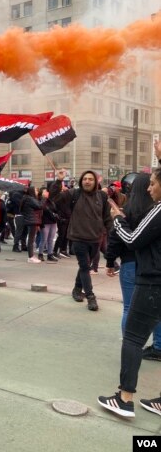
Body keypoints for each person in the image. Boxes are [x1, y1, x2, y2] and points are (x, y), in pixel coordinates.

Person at [98, 166, 161, 417]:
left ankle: (124, 399)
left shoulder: (158, 210)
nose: (149, 188)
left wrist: (117, 219)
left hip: (153, 281)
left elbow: (133, 239)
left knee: (133, 338)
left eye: (153, 183)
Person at [105, 173, 161, 360]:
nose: (149, 188)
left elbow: (122, 239)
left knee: (129, 307)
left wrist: (110, 261)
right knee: (156, 309)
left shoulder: (132, 210)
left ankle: (129, 347)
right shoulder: (153, 210)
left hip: (131, 263)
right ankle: (158, 345)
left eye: (153, 184)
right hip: (152, 267)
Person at [50, 169, 112, 311]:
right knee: (85, 267)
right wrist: (59, 180)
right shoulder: (74, 193)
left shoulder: (102, 196)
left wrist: (113, 234)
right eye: (85, 179)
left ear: (95, 181)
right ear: (81, 181)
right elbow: (54, 197)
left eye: (90, 179)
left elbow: (107, 218)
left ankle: (77, 289)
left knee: (86, 265)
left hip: (96, 238)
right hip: (78, 237)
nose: (87, 181)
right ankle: (90, 297)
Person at [20, 185, 43, 264]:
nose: (37, 192)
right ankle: (30, 257)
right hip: (32, 220)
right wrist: (44, 198)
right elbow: (40, 206)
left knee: (31, 239)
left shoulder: (26, 198)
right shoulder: (30, 199)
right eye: (36, 191)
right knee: (31, 239)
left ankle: (31, 256)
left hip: (30, 220)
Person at [38, 188, 59, 262]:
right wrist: (43, 198)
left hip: (53, 222)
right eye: (45, 191)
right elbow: (41, 208)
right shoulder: (40, 200)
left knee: (51, 239)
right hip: (45, 222)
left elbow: (55, 209)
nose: (47, 192)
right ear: (41, 193)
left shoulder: (50, 200)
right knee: (44, 239)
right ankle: (40, 254)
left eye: (47, 191)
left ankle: (50, 254)